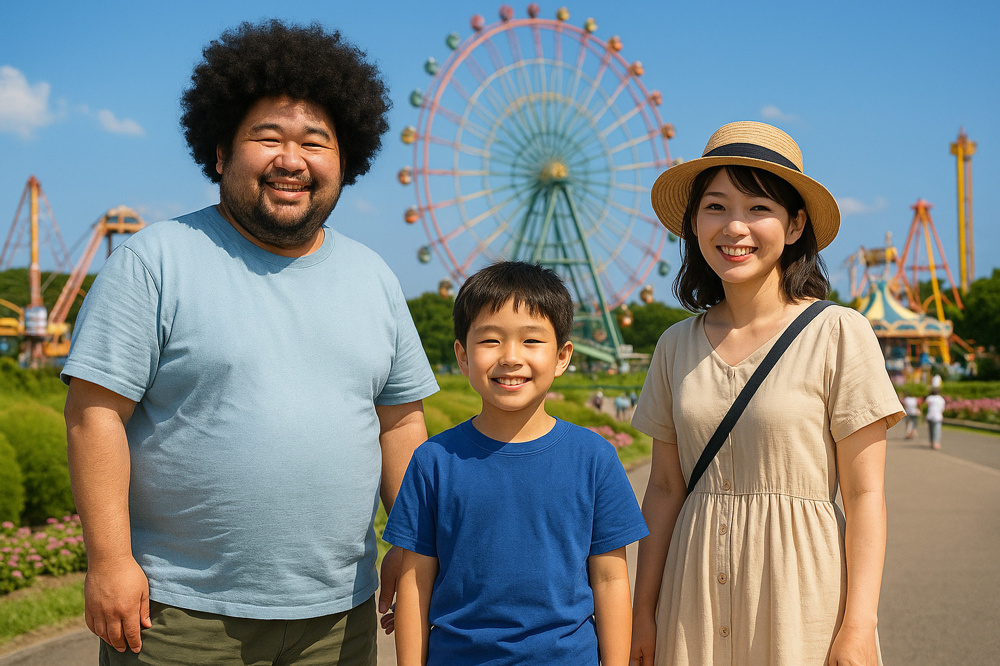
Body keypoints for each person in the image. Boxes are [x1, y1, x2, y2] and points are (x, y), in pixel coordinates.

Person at [62, 20, 438, 665]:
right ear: (219, 152)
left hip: (339, 618)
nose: (291, 160)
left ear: (346, 160)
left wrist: (410, 543)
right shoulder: (154, 261)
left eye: (316, 142)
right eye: (268, 137)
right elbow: (94, 416)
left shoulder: (375, 276)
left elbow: (400, 423)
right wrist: (109, 561)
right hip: (177, 615)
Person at [629, 122, 903, 666]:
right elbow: (663, 488)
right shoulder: (674, 345)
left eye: (759, 207)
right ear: (693, 223)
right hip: (691, 597)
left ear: (796, 224)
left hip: (801, 597)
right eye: (715, 206)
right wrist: (642, 612)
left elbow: (866, 496)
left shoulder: (839, 333)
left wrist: (859, 625)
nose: (735, 227)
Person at [383, 261, 649, 665]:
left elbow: (611, 580)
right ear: (463, 355)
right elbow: (414, 583)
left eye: (531, 341)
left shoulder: (594, 458)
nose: (510, 357)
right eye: (490, 340)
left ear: (562, 356)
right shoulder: (433, 462)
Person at [925, 385, 946, 450]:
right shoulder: (941, 399)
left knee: (931, 430)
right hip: (938, 417)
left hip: (930, 416)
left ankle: (931, 442)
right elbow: (942, 409)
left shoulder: (929, 398)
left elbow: (927, 404)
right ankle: (936, 443)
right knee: (937, 430)